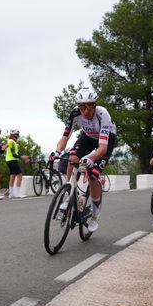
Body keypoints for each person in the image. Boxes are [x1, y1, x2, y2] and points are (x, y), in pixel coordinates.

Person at [49, 90, 117, 232]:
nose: (85, 111)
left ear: (95, 105)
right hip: (87, 137)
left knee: (92, 175)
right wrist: (57, 151)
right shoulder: (75, 113)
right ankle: (69, 192)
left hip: (106, 140)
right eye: (82, 107)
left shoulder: (102, 114)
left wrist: (90, 158)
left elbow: (102, 148)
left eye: (89, 107)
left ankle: (96, 214)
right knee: (72, 158)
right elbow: (65, 136)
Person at [5, 129, 29, 198]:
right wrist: (22, 157)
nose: (17, 136)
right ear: (12, 135)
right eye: (16, 135)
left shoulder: (13, 142)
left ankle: (11, 194)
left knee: (12, 176)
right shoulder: (11, 142)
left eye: (17, 135)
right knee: (19, 175)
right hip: (12, 160)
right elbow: (14, 154)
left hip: (9, 160)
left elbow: (17, 153)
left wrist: (23, 157)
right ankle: (18, 194)